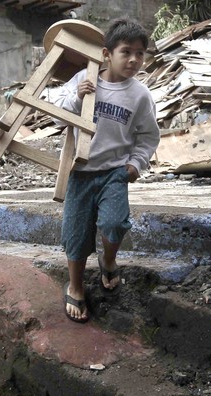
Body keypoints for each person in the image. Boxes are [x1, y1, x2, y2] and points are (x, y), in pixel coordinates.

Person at [52, 18, 161, 323]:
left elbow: (148, 135)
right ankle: (75, 285)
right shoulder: (84, 79)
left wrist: (136, 163)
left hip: (115, 171)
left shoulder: (139, 95)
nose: (134, 59)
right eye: (126, 51)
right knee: (75, 234)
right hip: (80, 171)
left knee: (114, 223)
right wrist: (76, 96)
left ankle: (108, 260)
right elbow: (57, 114)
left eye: (140, 53)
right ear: (106, 54)